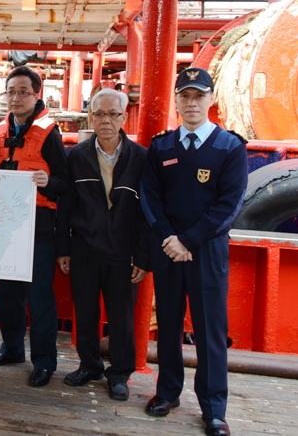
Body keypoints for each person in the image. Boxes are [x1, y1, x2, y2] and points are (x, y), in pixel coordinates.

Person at [140, 67, 247, 436]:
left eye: (199, 95)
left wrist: (187, 240)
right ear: (176, 100)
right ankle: (167, 392)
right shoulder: (161, 147)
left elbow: (229, 205)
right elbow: (150, 197)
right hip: (168, 249)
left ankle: (214, 409)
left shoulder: (230, 147)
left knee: (210, 330)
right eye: (184, 95)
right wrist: (170, 238)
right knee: (168, 324)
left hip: (206, 251)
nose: (191, 102)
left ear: (211, 99)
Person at [56, 88, 149, 401]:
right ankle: (90, 365)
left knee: (122, 316)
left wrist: (143, 256)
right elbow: (66, 206)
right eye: (99, 114)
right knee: (85, 311)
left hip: (123, 249)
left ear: (124, 117)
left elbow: (148, 213)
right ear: (90, 117)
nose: (105, 120)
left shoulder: (141, 158)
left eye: (112, 114)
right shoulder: (76, 156)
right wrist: (63, 249)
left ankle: (120, 374)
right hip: (84, 246)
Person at [0, 65, 70, 387]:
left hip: (38, 229)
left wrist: (49, 182)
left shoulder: (49, 134)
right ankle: (12, 349)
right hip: (6, 227)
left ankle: (44, 362)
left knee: (40, 298)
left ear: (36, 95)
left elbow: (65, 180)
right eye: (11, 92)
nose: (16, 98)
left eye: (23, 92)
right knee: (8, 295)